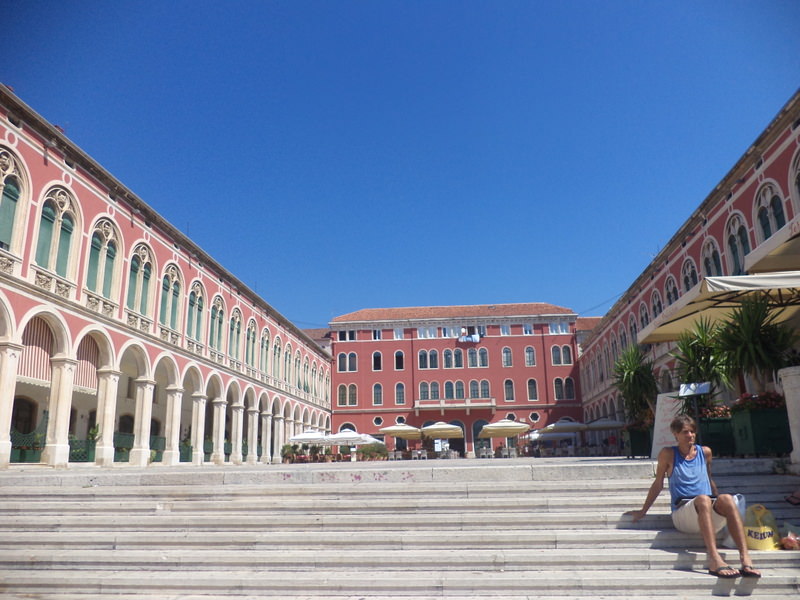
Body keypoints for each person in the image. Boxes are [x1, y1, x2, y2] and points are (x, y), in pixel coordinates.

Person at [627, 414, 761, 579]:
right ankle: (714, 558)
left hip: (706, 509)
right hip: (683, 513)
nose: (690, 435)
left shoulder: (705, 452)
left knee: (726, 498)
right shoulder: (668, 454)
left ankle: (745, 558)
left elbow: (709, 479)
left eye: (692, 431)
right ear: (676, 434)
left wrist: (723, 504)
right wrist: (643, 511)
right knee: (703, 499)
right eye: (685, 432)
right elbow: (658, 484)